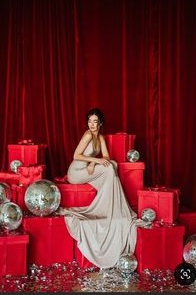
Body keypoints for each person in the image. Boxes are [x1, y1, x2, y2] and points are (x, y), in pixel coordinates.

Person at [58, 108, 146, 268]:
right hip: (76, 172)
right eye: (89, 121)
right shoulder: (87, 135)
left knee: (113, 164)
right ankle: (112, 207)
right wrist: (95, 161)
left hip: (88, 169)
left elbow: (107, 157)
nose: (91, 124)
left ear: (100, 124)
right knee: (108, 167)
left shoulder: (100, 137)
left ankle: (112, 207)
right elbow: (76, 156)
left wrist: (93, 161)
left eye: (95, 121)